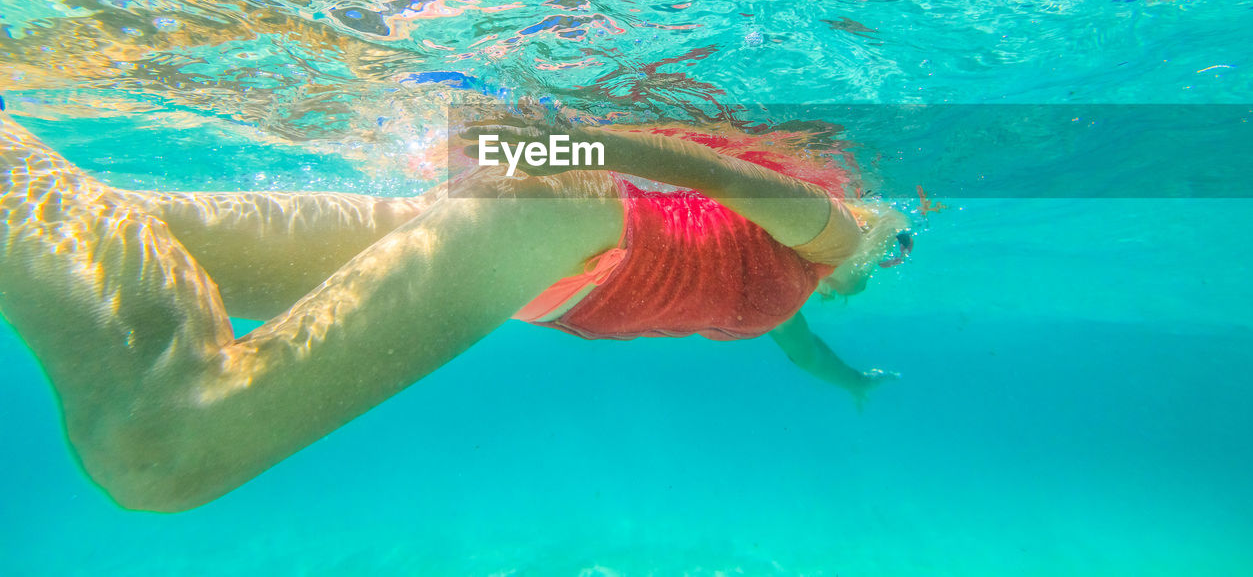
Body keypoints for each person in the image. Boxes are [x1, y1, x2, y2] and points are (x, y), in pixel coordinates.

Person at [0, 107, 907, 513]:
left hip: (530, 248)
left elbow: (803, 351)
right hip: (552, 225)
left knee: (121, 235)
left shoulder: (793, 286)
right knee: (163, 452)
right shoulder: (834, 235)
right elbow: (708, 167)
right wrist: (541, 139)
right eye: (898, 246)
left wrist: (856, 381)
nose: (886, 261)